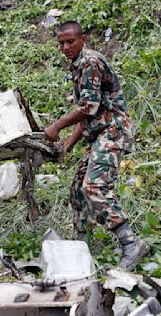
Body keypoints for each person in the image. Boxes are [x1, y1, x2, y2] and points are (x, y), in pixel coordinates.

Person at [44, 21, 148, 270]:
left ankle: (131, 243)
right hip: (99, 133)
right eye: (61, 43)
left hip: (113, 130)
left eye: (70, 41)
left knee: (94, 186)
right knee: (78, 189)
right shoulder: (77, 65)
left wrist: (57, 126)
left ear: (83, 39)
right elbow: (88, 114)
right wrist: (67, 146)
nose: (66, 47)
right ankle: (81, 248)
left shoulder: (89, 62)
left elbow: (87, 108)